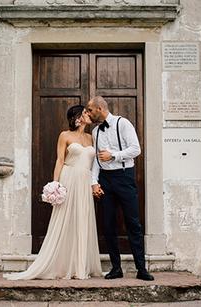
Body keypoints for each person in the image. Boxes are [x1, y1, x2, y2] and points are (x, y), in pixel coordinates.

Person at [3, 105, 102, 280]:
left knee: (82, 220)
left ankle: (79, 266)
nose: (88, 115)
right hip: (69, 178)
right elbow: (60, 160)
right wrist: (55, 184)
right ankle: (62, 265)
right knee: (65, 220)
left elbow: (95, 164)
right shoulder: (65, 135)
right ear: (77, 117)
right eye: (85, 112)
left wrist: (94, 183)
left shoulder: (91, 137)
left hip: (84, 181)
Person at [85, 96, 154, 281]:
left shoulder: (123, 123)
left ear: (100, 108)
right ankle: (116, 268)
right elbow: (98, 161)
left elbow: (136, 149)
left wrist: (113, 155)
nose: (89, 113)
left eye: (90, 110)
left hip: (124, 177)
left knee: (133, 224)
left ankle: (141, 269)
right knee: (108, 225)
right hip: (105, 180)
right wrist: (94, 182)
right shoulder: (96, 132)